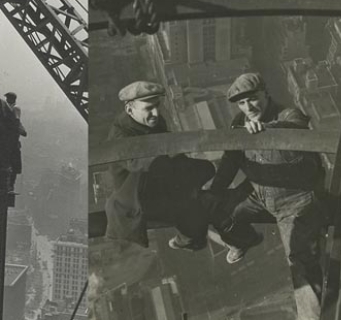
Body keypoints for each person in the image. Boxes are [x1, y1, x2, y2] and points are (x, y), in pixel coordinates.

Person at [211, 73, 326, 320]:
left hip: (294, 199)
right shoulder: (240, 125)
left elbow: (295, 125)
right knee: (213, 211)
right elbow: (230, 162)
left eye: (252, 99)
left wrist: (267, 128)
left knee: (298, 259)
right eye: (241, 103)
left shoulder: (288, 113)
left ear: (265, 94)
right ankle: (243, 240)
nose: (249, 107)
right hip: (258, 194)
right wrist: (213, 193)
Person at [105, 80, 262, 257]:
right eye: (149, 108)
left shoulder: (151, 121)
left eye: (157, 106)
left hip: (159, 180)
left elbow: (170, 151)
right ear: (129, 110)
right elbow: (149, 164)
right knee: (202, 202)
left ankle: (211, 237)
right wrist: (186, 180)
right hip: (139, 197)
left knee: (206, 171)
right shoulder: (121, 138)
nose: (156, 113)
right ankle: (198, 238)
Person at [4, 92, 27, 192]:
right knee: (12, 165)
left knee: (12, 164)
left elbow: (16, 122)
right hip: (12, 141)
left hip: (12, 142)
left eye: (8, 98)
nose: (6, 100)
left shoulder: (15, 108)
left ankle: (10, 185)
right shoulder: (10, 108)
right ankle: (9, 185)